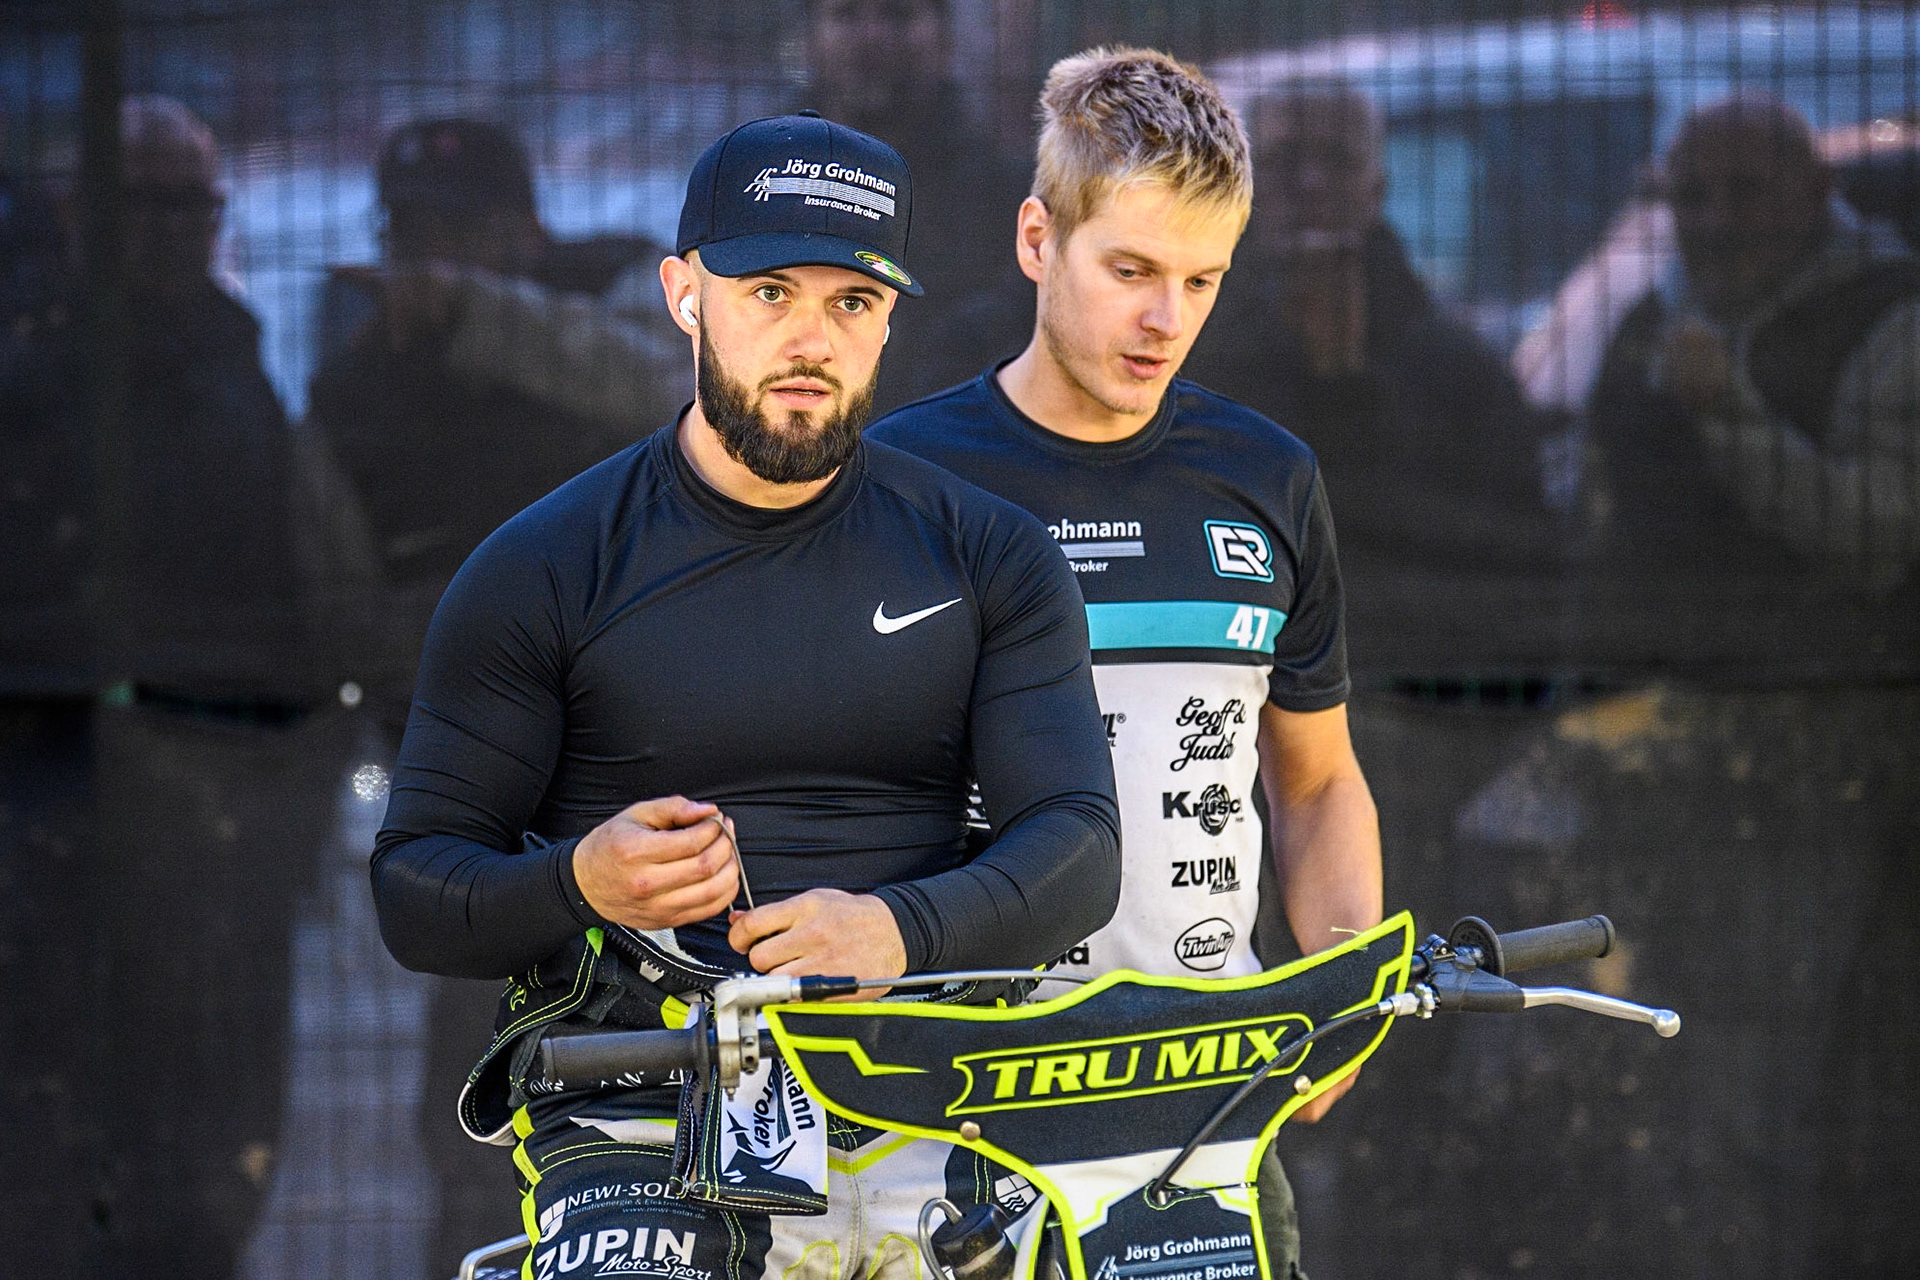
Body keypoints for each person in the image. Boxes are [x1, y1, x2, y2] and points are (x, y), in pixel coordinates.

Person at [368, 111, 1119, 1279]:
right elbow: (416, 887)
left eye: (852, 302)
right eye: (770, 292)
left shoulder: (990, 556)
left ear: (888, 321)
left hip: (927, 1088)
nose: (811, 338)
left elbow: (1078, 844)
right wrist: (581, 878)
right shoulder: (544, 564)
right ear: (684, 292)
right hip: (641, 1097)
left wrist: (894, 928)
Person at [869, 49, 1384, 1280]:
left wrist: (1346, 983)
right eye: (1133, 271)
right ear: (1037, 238)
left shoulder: (1267, 477)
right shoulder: (901, 479)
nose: (1166, 319)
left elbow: (1314, 779)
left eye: (1203, 279)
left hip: (1198, 1102)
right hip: (939, 1111)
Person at [1180, 83, 1558, 575]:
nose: (1311, 183)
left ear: (1376, 188)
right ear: (1245, 186)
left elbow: (1519, 547)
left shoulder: (1459, 372)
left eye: (1336, 161)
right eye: (1286, 162)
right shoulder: (1186, 351)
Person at [1588, 94, 1920, 590]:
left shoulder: (1895, 319)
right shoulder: (1650, 318)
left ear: (1818, 190)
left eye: (1747, 192)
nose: (1717, 221)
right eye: (1692, 195)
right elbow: (1595, 508)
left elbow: (1884, 543)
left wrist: (1723, 412)